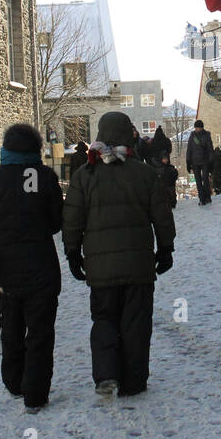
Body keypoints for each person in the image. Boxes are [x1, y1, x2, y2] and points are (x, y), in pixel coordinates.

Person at [63, 111, 176, 398]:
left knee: (104, 319)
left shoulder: (84, 176)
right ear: (129, 135)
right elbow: (161, 215)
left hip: (100, 268)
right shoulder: (144, 173)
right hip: (139, 264)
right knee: (136, 322)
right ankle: (134, 380)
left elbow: (73, 219)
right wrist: (165, 248)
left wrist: (73, 253)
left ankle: (105, 373)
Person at [0, 123, 64, 414]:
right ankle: (35, 393)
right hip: (40, 264)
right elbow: (55, 222)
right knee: (40, 330)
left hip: (4, 266)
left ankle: (13, 380)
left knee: (11, 323)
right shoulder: (45, 177)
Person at [186, 119, 215, 205]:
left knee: (205, 179)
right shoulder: (192, 136)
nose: (197, 129)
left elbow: (210, 149)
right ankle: (202, 199)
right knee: (198, 181)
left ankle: (207, 197)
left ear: (202, 128)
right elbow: (189, 149)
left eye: (198, 128)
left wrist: (211, 161)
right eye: (196, 128)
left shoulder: (206, 135)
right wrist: (188, 161)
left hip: (205, 161)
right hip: (195, 162)